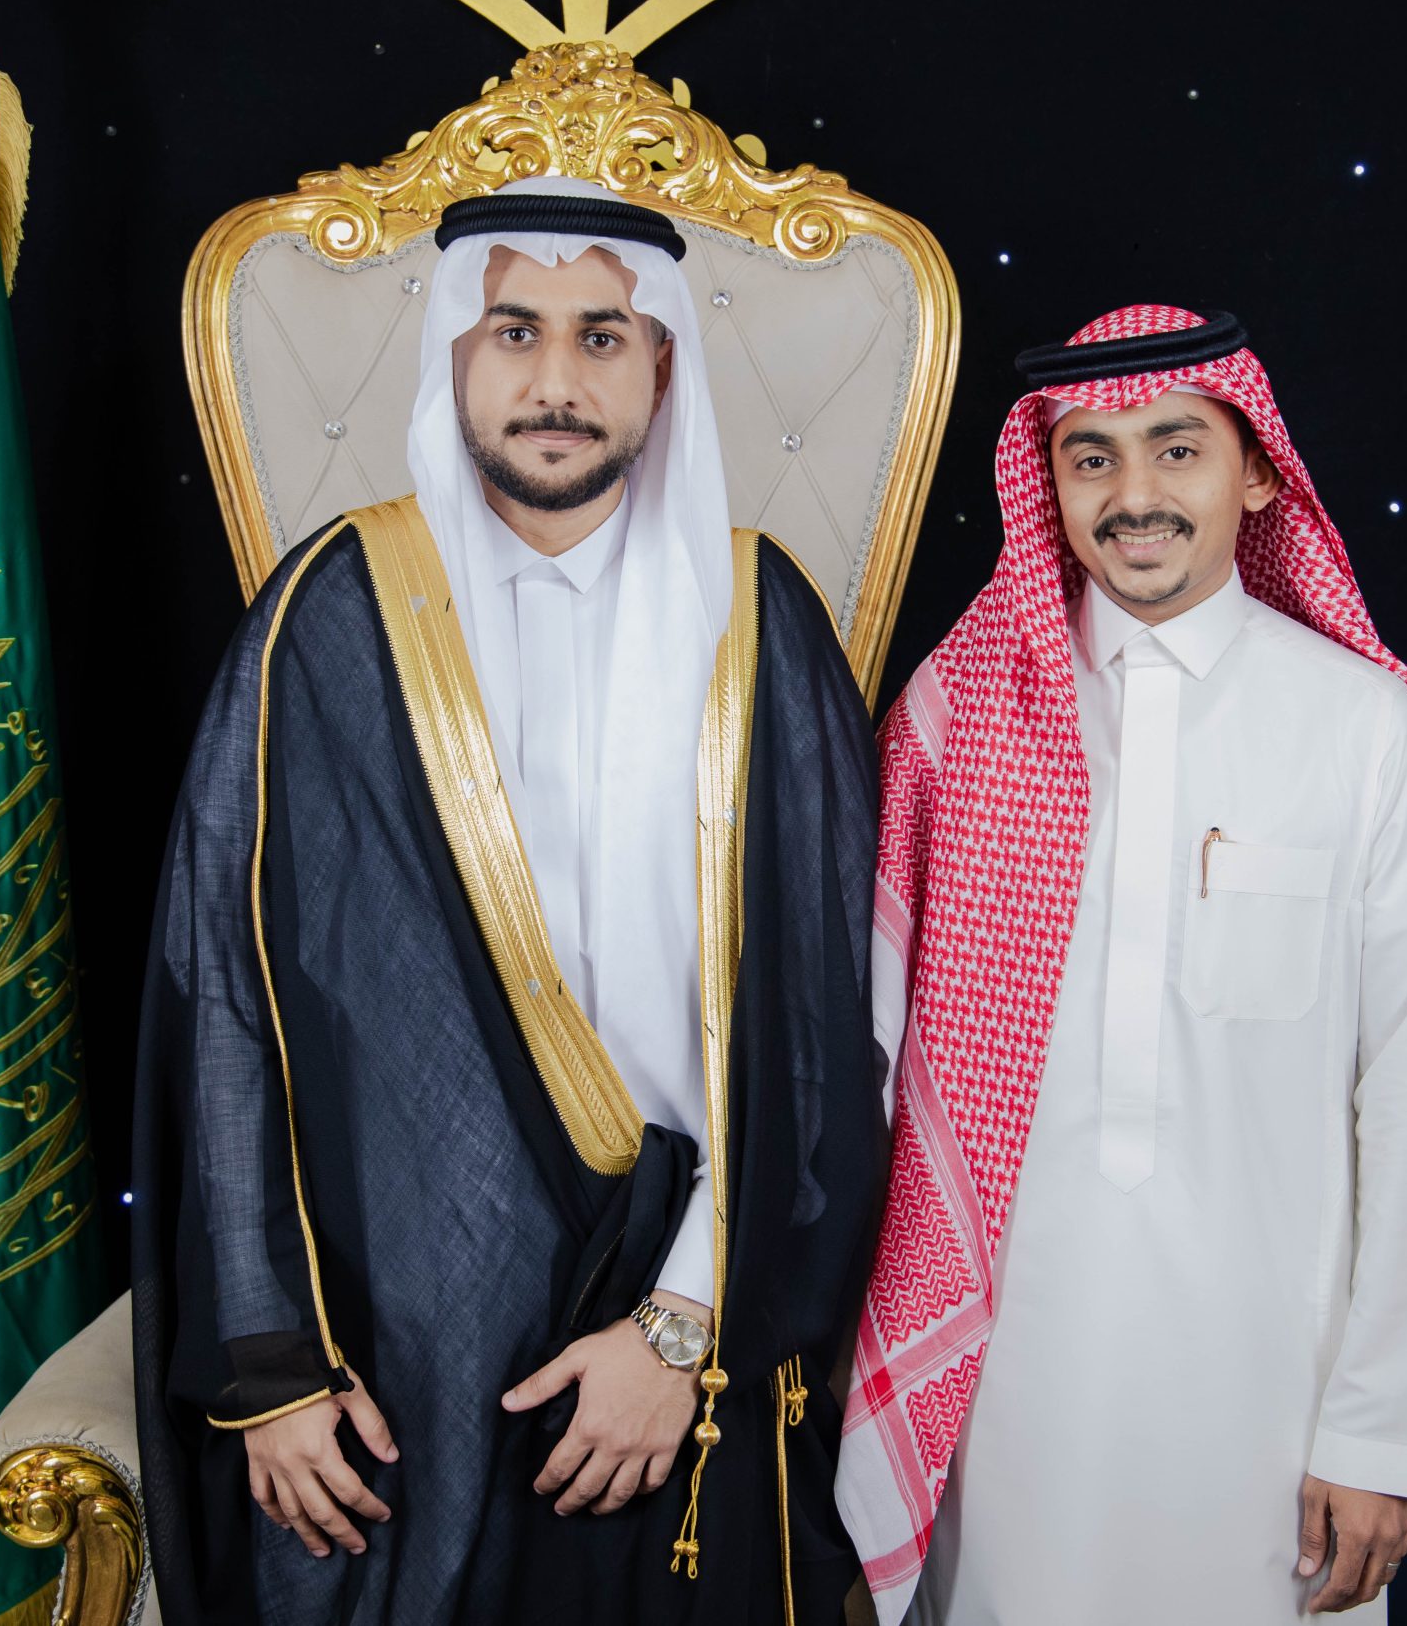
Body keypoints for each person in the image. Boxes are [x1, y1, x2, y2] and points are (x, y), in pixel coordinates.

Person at [132, 176, 889, 1626]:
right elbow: (224, 1000)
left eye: (601, 337)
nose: (555, 383)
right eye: (515, 332)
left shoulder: (757, 621)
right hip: (383, 1356)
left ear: (661, 361)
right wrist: (272, 1364)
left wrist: (682, 1328)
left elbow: (820, 1032)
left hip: (686, 1323)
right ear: (455, 355)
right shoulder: (329, 614)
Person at [834, 305, 1407, 1622]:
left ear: (1257, 474)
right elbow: (858, 1065)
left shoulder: (1362, 728)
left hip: (1273, 1394)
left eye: (1177, 449)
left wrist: (1376, 1433)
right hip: (1005, 1386)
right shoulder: (956, 718)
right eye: (1091, 456)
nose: (1133, 494)